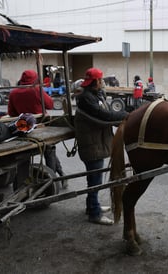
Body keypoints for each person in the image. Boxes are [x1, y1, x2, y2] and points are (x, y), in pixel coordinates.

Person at [74, 67, 128, 225]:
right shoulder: (86, 98)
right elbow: (104, 115)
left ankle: (91, 206)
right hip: (92, 145)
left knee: (93, 178)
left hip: (96, 142)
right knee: (95, 180)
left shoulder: (94, 95)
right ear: (96, 81)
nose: (103, 82)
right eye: (101, 79)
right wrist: (126, 115)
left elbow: (106, 112)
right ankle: (94, 213)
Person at [8, 70, 67, 187]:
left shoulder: (14, 92)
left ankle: (24, 179)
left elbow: (11, 113)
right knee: (49, 150)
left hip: (23, 128)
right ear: (35, 79)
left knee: (24, 155)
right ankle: (54, 179)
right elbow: (50, 104)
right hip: (40, 126)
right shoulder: (36, 90)